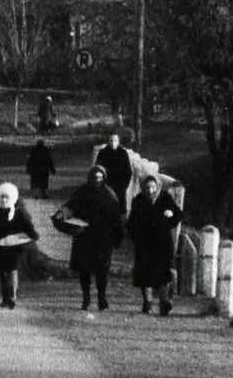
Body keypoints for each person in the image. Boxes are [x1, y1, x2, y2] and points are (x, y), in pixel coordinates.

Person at [56, 165, 125, 311]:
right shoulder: (82, 192)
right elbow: (70, 206)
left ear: (104, 178)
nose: (97, 180)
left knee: (102, 271)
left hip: (103, 238)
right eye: (94, 177)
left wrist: (118, 237)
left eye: (100, 177)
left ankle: (102, 298)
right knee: (84, 270)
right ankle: (86, 298)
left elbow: (116, 218)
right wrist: (62, 213)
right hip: (84, 235)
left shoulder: (109, 195)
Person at [127, 174, 186, 315]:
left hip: (162, 242)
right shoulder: (139, 200)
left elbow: (178, 215)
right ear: (143, 188)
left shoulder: (165, 198)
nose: (150, 190)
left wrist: (170, 216)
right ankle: (147, 302)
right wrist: (136, 235)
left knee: (164, 272)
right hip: (145, 242)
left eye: (152, 187)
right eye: (147, 187)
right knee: (145, 272)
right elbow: (132, 222)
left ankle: (164, 302)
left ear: (158, 186)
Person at [0, 182, 40, 308]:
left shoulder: (18, 214)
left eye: (7, 198)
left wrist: (31, 236)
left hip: (11, 249)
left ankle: (8, 298)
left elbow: (30, 230)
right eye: (2, 197)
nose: (4, 200)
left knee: (7, 273)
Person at [96, 133, 134, 217]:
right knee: (106, 209)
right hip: (106, 185)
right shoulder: (102, 153)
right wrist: (102, 185)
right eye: (111, 141)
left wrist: (124, 186)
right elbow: (98, 169)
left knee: (120, 211)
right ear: (108, 142)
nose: (113, 143)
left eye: (115, 140)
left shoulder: (123, 153)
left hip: (120, 186)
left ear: (118, 142)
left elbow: (128, 172)